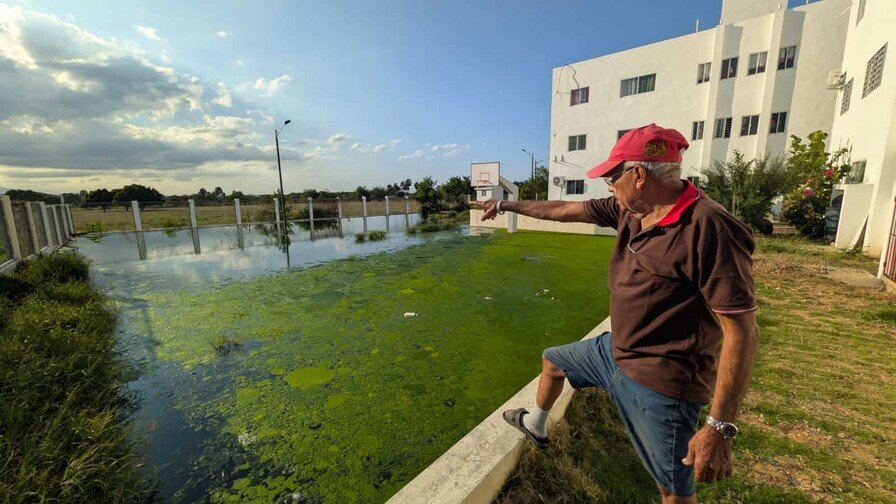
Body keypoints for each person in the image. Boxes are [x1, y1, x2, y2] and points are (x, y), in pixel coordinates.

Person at [471, 124, 759, 503]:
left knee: (673, 491)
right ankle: (536, 425)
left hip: (662, 381)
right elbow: (560, 209)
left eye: (611, 177)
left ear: (638, 175)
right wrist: (506, 204)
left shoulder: (709, 227)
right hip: (614, 352)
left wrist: (720, 427)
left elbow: (742, 332)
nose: (608, 187)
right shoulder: (629, 210)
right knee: (553, 361)